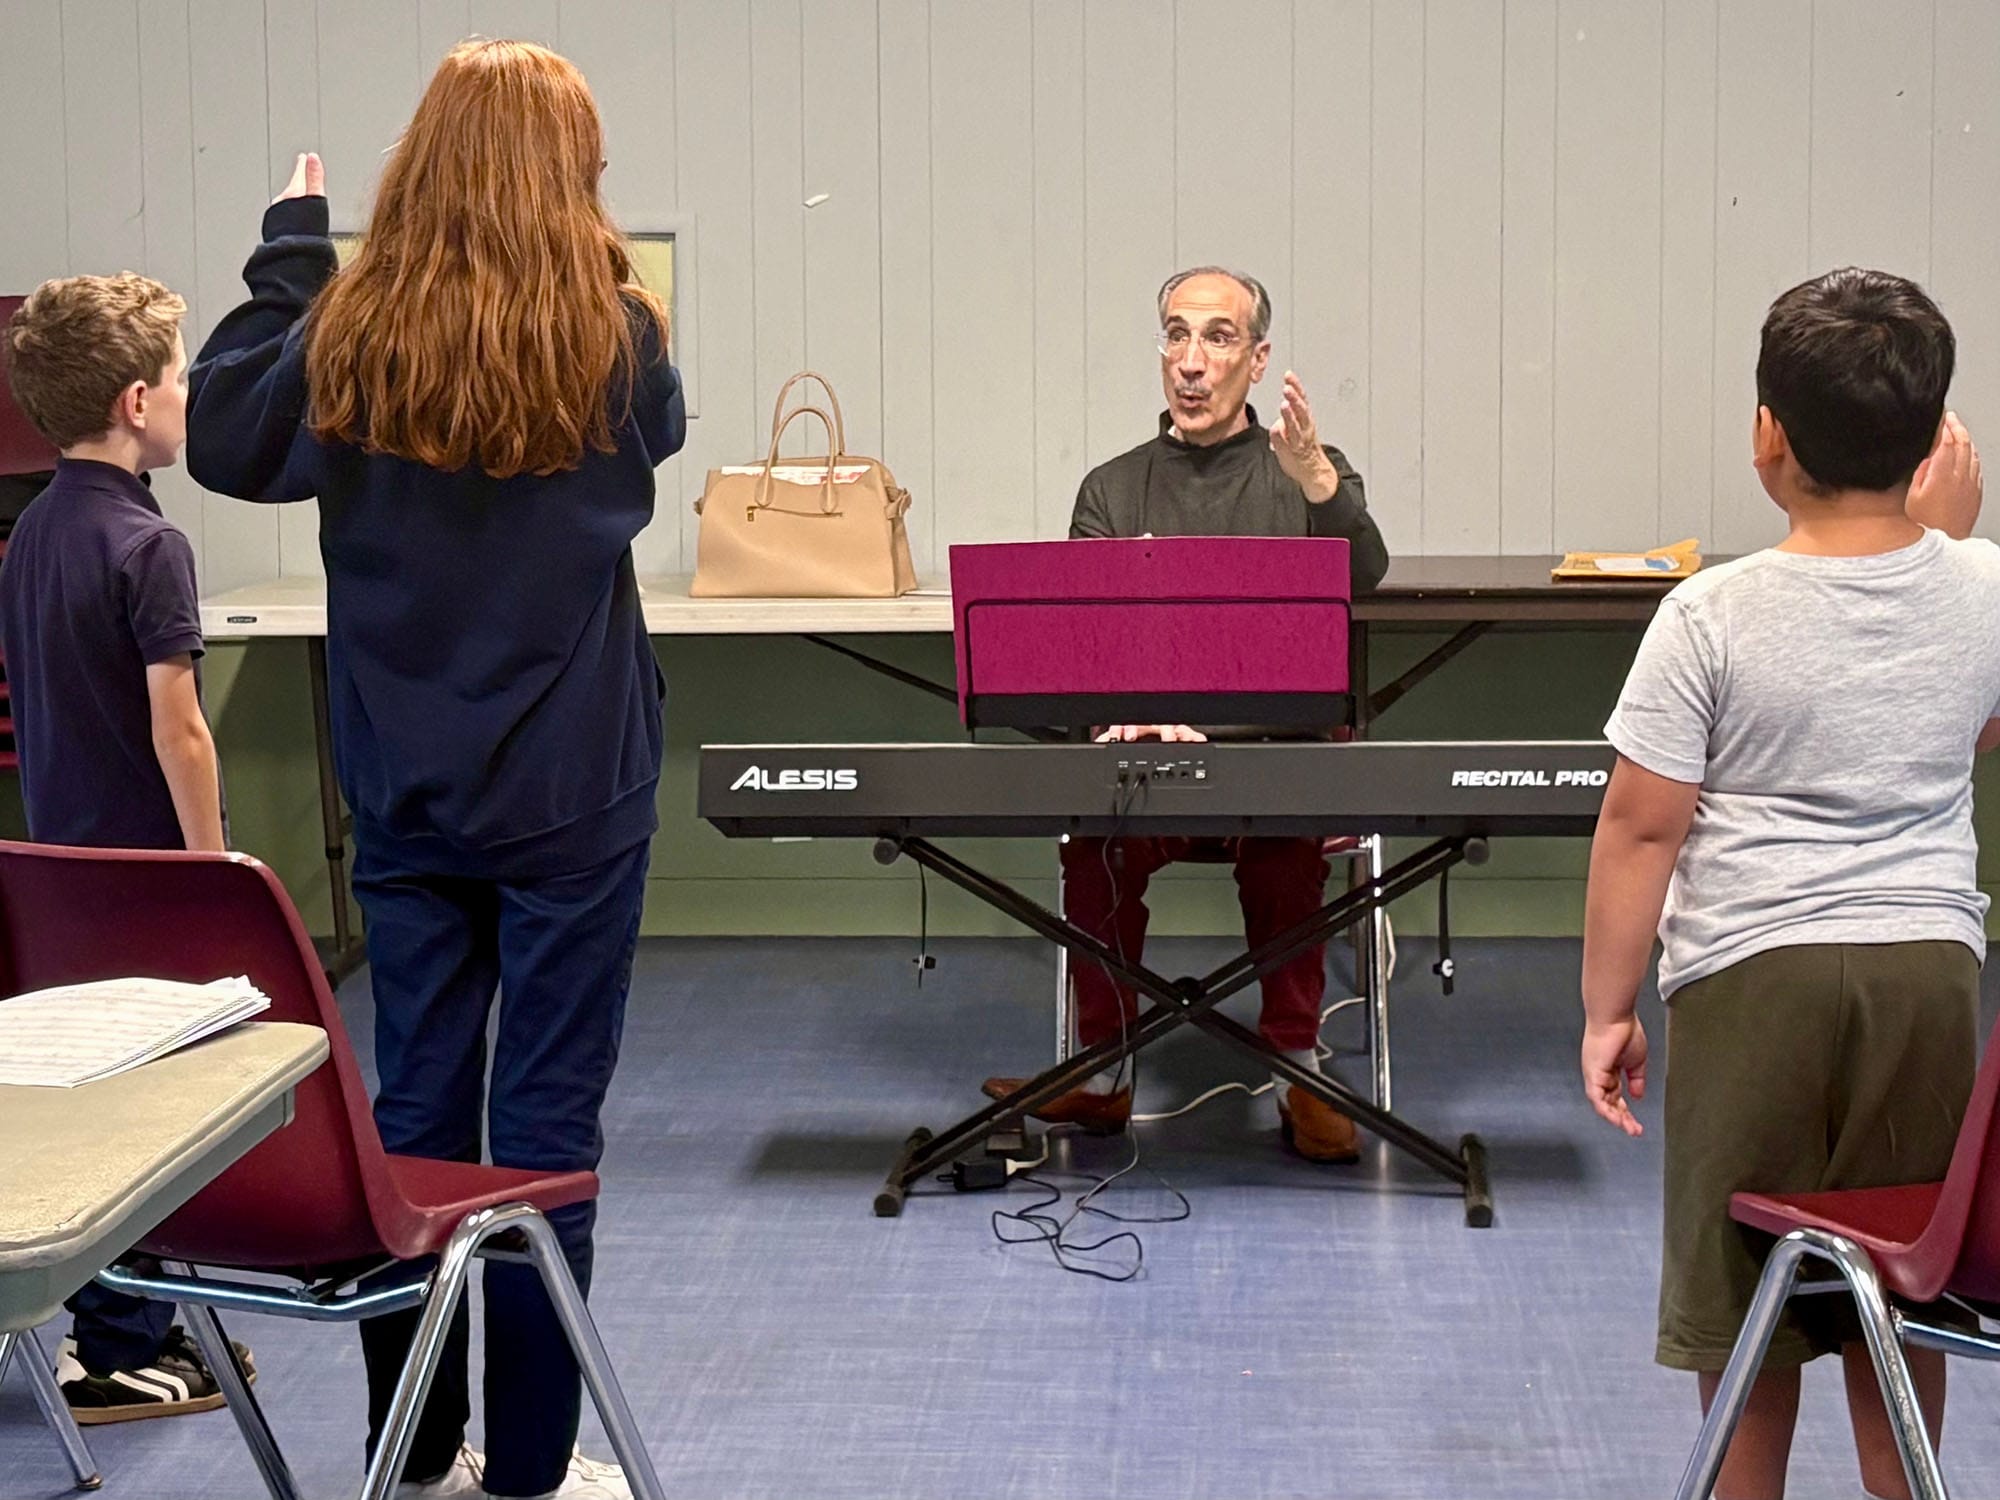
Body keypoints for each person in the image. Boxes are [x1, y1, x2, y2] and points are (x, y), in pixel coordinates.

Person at [184, 39, 684, 1500]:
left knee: (413, 1118)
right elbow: (651, 441)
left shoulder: (352, 338)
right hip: (575, 792)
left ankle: (408, 1460)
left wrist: (292, 255)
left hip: (404, 791)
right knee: (545, 1135)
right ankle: (526, 1470)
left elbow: (223, 436)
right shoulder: (615, 338)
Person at [1580, 266, 1993, 1500]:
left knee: (1746, 1300)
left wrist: (1606, 1010)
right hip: (1926, 974)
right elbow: (1964, 727)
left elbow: (1639, 828)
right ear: (1930, 440)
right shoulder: (1983, 588)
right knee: (1902, 1278)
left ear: (1767, 435)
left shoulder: (1707, 614)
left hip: (1750, 980)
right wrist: (1950, 544)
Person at [982, 266, 1389, 1162]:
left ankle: (1296, 1071)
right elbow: (1084, 649)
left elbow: (1364, 577)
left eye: (1217, 337)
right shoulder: (1112, 487)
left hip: (1271, 756)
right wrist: (1123, 711)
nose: (1192, 361)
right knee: (1095, 847)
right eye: (1176, 335)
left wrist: (1321, 483)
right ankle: (1106, 1074)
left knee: (1286, 855)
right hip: (1148, 761)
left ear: (1258, 359)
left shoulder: (1307, 473)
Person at [0, 273, 256, 1424]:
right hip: (152, 883)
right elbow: (180, 729)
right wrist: (215, 871)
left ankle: (138, 1325)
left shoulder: (30, 536)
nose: (191, 396)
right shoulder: (151, 545)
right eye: (183, 378)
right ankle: (111, 1348)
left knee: (101, 1111)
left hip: (61, 880)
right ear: (138, 402)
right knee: (155, 1120)